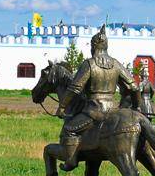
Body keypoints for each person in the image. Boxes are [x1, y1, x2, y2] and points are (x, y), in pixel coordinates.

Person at [55, 27, 129, 168]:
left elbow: (75, 88)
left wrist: (62, 106)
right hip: (113, 110)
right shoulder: (116, 64)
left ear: (94, 46)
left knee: (69, 129)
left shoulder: (89, 64)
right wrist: (135, 106)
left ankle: (70, 160)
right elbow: (133, 86)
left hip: (94, 111)